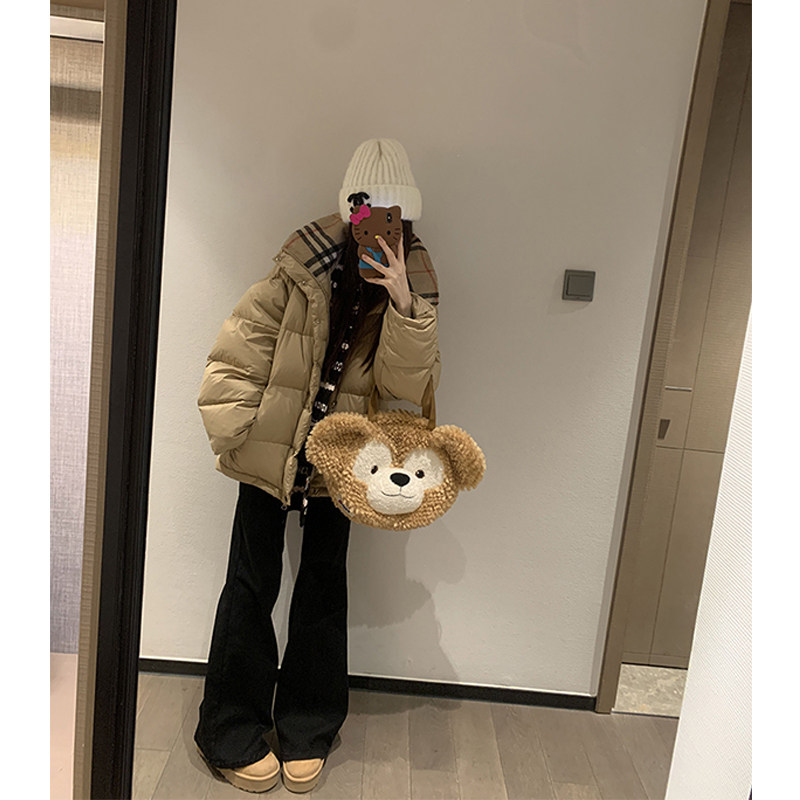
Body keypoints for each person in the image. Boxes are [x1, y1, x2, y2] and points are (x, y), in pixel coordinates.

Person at [192, 138, 441, 794]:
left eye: (393, 215)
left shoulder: (416, 285)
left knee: (324, 590)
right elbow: (242, 346)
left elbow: (406, 390)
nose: (378, 226)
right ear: (349, 209)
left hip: (345, 461)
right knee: (250, 586)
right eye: (367, 211)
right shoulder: (300, 263)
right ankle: (229, 730)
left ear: (407, 218)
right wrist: (234, 431)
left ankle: (307, 725)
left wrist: (403, 305)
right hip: (271, 450)